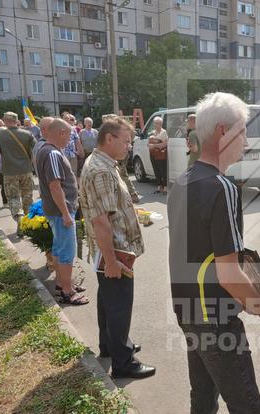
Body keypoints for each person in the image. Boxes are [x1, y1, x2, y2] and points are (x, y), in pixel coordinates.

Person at [168, 92, 260, 413]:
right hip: (215, 318)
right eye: (243, 130)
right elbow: (229, 272)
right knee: (247, 406)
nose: (247, 139)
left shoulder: (181, 183)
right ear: (223, 132)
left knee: (203, 398)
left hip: (186, 309)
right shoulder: (222, 188)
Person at [80, 117, 155, 379]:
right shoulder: (100, 170)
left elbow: (109, 210)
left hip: (111, 251)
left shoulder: (103, 163)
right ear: (109, 139)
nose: (129, 146)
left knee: (108, 302)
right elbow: (101, 222)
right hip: (115, 253)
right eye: (126, 141)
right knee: (119, 305)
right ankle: (124, 363)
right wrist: (112, 261)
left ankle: (110, 347)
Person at [36, 118, 89, 305]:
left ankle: (62, 283)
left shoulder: (47, 150)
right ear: (61, 133)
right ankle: (67, 291)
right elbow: (55, 186)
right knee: (66, 251)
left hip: (56, 211)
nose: (70, 139)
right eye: (69, 135)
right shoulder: (52, 154)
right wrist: (66, 213)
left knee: (59, 248)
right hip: (60, 212)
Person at [0, 111, 36, 227]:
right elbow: (36, 150)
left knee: (13, 197)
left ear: (5, 121)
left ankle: (20, 221)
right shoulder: (27, 134)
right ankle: (29, 223)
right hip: (26, 170)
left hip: (9, 171)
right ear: (16, 121)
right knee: (28, 196)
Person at [62, 112, 84, 183]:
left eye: (69, 119)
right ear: (62, 119)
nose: (67, 120)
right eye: (65, 118)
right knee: (64, 172)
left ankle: (74, 188)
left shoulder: (73, 129)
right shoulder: (59, 128)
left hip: (73, 154)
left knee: (73, 172)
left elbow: (77, 141)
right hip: (63, 154)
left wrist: (80, 151)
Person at [148, 116, 168, 194]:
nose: (156, 125)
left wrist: (154, 145)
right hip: (153, 153)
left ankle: (165, 187)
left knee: (163, 170)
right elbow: (149, 143)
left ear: (161, 124)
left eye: (157, 123)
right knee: (156, 170)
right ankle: (159, 186)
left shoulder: (164, 132)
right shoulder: (152, 132)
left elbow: (165, 144)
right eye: (155, 123)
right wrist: (150, 145)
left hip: (161, 154)